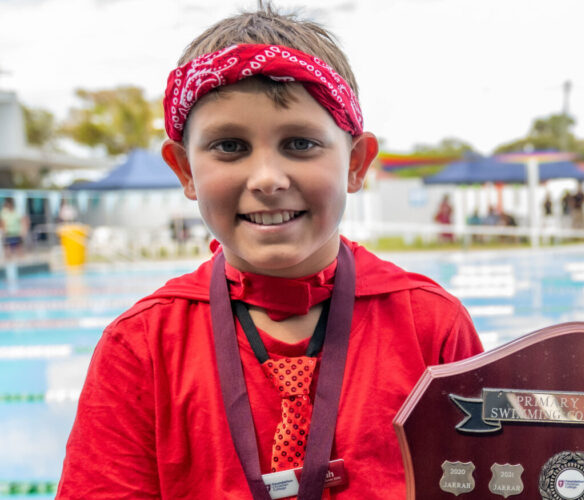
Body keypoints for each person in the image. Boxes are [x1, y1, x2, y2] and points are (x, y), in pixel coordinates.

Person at [58, 6, 483, 499]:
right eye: (230, 146)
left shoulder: (428, 326)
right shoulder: (143, 347)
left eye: (300, 143)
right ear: (185, 171)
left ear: (357, 163)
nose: (267, 179)